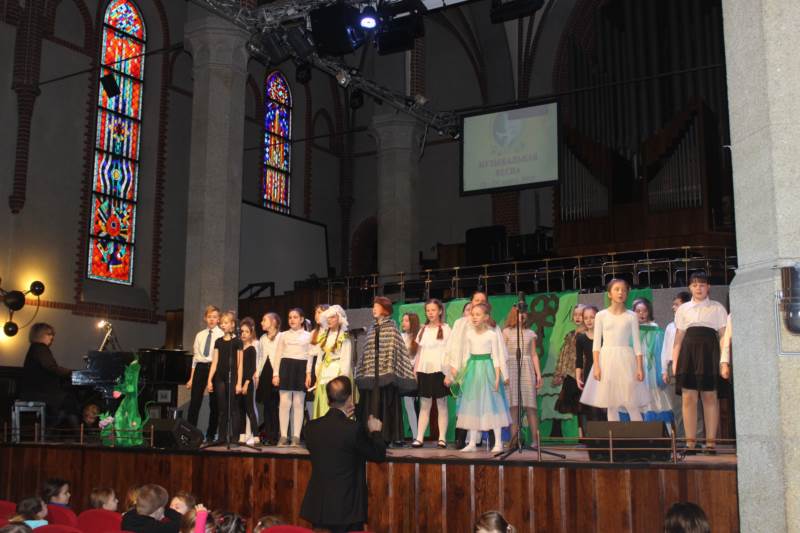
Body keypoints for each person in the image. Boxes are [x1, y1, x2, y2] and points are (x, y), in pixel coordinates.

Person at [301, 376, 387, 533]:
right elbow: (378, 454)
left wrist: (345, 419)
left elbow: (333, 444)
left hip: (319, 508)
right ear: (349, 399)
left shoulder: (311, 428)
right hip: (346, 508)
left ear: (328, 400)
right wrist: (375, 432)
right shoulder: (353, 429)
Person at [672, 272, 729, 453]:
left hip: (710, 352)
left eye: (702, 284)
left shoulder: (717, 308)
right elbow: (678, 338)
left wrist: (724, 361)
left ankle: (711, 443)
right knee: (688, 397)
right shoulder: (683, 309)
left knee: (710, 397)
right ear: (690, 287)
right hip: (688, 354)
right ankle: (690, 443)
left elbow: (724, 337)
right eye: (695, 285)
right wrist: (675, 362)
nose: (699, 288)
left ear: (708, 287)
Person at [579, 279, 650, 422]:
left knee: (630, 402)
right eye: (617, 289)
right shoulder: (601, 315)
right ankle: (614, 435)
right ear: (609, 294)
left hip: (626, 360)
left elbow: (637, 345)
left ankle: (639, 434)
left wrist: (639, 367)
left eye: (623, 290)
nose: (620, 292)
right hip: (607, 359)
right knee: (611, 405)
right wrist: (597, 366)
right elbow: (596, 344)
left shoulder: (631, 316)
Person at [449, 302, 511, 453]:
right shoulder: (469, 335)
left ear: (486, 317)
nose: (474, 317)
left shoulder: (491, 335)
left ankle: (498, 442)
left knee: (493, 405)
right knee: (473, 406)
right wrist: (462, 374)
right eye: (472, 314)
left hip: (487, 370)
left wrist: (498, 377)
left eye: (478, 314)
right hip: (473, 371)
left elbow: (496, 357)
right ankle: (471, 442)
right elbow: (466, 356)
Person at [354, 297, 416, 444]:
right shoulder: (372, 328)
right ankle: (370, 435)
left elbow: (396, 351)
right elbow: (366, 351)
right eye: (373, 306)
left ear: (385, 309)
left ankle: (387, 436)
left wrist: (387, 367)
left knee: (386, 404)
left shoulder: (392, 328)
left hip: (387, 376)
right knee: (371, 404)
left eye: (377, 306)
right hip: (372, 375)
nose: (374, 309)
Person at [18, 323, 79, 431]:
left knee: (67, 403)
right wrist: (72, 372)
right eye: (49, 334)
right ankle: (78, 434)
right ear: (40, 334)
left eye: (52, 334)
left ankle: (50, 432)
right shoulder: (40, 348)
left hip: (34, 390)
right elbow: (51, 367)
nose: (52, 337)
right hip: (36, 392)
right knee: (69, 402)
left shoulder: (36, 348)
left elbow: (49, 369)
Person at [412, 299, 451, 449]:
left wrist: (449, 374)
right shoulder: (423, 330)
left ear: (440, 311)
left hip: (440, 371)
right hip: (424, 371)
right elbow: (419, 352)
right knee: (424, 405)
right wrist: (415, 371)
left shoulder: (446, 329)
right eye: (428, 310)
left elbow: (450, 352)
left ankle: (442, 438)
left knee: (442, 404)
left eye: (433, 310)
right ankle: (419, 437)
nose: (430, 313)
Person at [272, 308, 313, 447]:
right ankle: (284, 436)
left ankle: (296, 436)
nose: (292, 320)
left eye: (295, 317)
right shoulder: (283, 335)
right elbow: (278, 355)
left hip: (301, 368)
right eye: (290, 317)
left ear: (301, 319)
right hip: (286, 367)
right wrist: (275, 374)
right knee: (284, 403)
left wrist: (308, 373)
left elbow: (310, 356)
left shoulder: (308, 336)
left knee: (298, 403)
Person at [502, 306, 542, 447]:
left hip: (526, 369)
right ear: (513, 314)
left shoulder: (530, 333)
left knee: (530, 406)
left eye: (524, 313)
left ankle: (536, 441)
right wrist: (503, 374)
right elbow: (502, 354)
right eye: (519, 313)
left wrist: (538, 374)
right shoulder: (506, 332)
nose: (522, 315)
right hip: (511, 368)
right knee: (513, 406)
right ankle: (514, 440)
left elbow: (533, 354)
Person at [660, 292, 698, 439]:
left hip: (690, 365)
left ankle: (697, 437)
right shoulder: (670, 326)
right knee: (677, 406)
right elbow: (666, 349)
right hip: (673, 367)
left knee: (693, 403)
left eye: (677, 304)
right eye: (673, 304)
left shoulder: (693, 325)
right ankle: (682, 438)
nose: (673, 307)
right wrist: (664, 370)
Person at [632, 298, 674, 424]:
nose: (641, 314)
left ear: (649, 312)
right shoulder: (631, 330)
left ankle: (659, 428)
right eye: (638, 311)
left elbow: (661, 351)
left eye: (644, 311)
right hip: (636, 366)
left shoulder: (656, 330)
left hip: (651, 368)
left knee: (654, 394)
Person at [186, 306, 223, 442]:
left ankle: (210, 434)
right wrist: (191, 378)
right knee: (195, 402)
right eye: (209, 317)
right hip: (200, 368)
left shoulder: (221, 334)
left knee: (214, 403)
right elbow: (195, 358)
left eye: (214, 317)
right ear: (205, 318)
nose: (212, 319)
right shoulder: (200, 335)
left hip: (215, 368)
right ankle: (190, 433)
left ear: (218, 319)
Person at [206, 311, 243, 443]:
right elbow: (215, 362)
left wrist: (239, 383)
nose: (223, 325)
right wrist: (209, 380)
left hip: (232, 377)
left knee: (233, 408)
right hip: (219, 377)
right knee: (222, 408)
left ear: (232, 324)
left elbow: (240, 364)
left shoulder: (237, 342)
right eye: (221, 323)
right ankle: (221, 437)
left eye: (226, 323)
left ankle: (235, 437)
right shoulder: (218, 342)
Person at [311, 305, 353, 419]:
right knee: (323, 397)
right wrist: (317, 375)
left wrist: (343, 380)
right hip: (324, 372)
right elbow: (319, 357)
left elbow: (346, 360)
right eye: (328, 317)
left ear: (339, 319)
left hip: (337, 371)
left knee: (336, 396)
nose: (329, 320)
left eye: (333, 317)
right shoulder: (323, 336)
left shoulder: (344, 337)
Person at [553, 305, 587, 416]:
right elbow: (564, 354)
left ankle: (587, 427)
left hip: (583, 374)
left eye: (580, 315)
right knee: (573, 406)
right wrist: (560, 373)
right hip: (570, 375)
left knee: (584, 406)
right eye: (575, 314)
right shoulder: (570, 334)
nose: (577, 317)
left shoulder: (589, 334)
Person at [574, 306, 605, 424]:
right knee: (593, 408)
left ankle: (609, 432)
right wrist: (578, 377)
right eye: (586, 318)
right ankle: (597, 434)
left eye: (592, 317)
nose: (589, 320)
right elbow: (579, 360)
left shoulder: (605, 336)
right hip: (589, 374)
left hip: (605, 372)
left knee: (605, 407)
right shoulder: (581, 338)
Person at [256, 312, 281, 444]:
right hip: (265, 373)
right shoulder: (262, 338)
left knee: (274, 405)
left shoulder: (281, 337)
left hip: (276, 372)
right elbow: (260, 357)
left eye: (264, 320)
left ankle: (275, 435)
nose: (261, 322)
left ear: (273, 322)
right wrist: (258, 374)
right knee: (266, 405)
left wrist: (277, 374)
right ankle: (268, 434)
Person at [238, 318, 259, 445]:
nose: (244, 334)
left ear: (251, 334)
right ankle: (242, 435)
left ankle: (256, 435)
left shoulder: (251, 349)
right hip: (238, 383)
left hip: (248, 383)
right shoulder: (239, 349)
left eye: (247, 332)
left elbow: (252, 368)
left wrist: (246, 383)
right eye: (242, 331)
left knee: (250, 409)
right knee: (241, 410)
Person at [400, 312, 421, 442]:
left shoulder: (418, 338)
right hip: (402, 375)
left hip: (413, 375)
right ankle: (402, 435)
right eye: (403, 320)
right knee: (406, 406)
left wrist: (414, 373)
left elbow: (418, 358)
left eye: (406, 320)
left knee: (411, 406)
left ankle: (416, 435)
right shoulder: (401, 337)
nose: (403, 323)